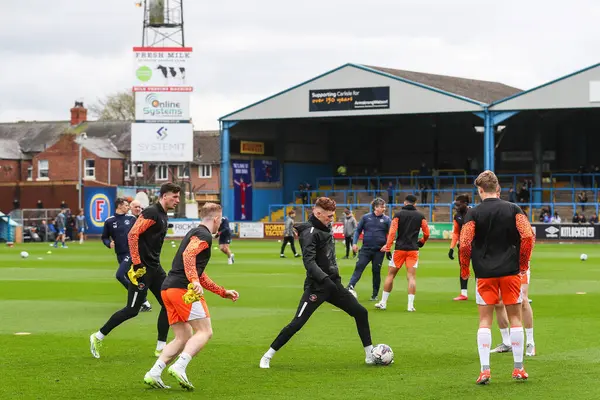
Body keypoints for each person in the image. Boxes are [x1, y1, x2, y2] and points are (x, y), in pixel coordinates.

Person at [259, 197, 375, 369]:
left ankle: (370, 355)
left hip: (334, 285)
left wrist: (332, 280)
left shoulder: (324, 227)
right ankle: (267, 356)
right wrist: (325, 279)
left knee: (360, 312)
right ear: (317, 212)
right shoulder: (310, 233)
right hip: (317, 286)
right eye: (328, 216)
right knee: (297, 323)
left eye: (332, 215)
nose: (331, 219)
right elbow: (309, 262)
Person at [143, 203, 239, 390]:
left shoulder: (195, 232)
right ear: (216, 219)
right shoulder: (204, 235)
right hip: (182, 289)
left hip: (168, 288)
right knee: (205, 331)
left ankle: (154, 373)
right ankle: (180, 366)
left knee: (183, 336)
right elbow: (189, 256)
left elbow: (197, 270)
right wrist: (193, 281)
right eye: (221, 219)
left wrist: (221, 291)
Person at [90, 183, 181, 359]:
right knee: (132, 310)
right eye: (174, 197)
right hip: (142, 269)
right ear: (164, 196)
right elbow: (133, 234)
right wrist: (137, 264)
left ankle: (161, 347)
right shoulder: (152, 212)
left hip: (155, 268)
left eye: (178, 197)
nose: (177, 200)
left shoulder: (162, 214)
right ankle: (97, 336)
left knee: (168, 303)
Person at [459, 171, 534, 384]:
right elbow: (527, 236)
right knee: (515, 318)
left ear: (480, 190)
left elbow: (464, 243)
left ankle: (485, 370)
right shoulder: (513, 209)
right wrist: (523, 263)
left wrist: (465, 270)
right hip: (510, 272)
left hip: (484, 274)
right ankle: (518, 368)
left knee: (484, 320)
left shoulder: (473, 213)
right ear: (497, 188)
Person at [490, 185, 536, 357]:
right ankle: (506, 342)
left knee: (523, 300)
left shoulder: (514, 211)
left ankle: (530, 342)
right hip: (500, 264)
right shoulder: (490, 214)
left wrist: (524, 262)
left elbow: (530, 236)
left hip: (518, 265)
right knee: (497, 302)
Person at [377, 195, 429, 311]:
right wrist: (422, 241)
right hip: (413, 250)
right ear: (415, 204)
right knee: (411, 277)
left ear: (405, 202)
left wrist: (388, 248)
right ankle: (410, 305)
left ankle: (383, 302)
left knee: (390, 275)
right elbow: (427, 233)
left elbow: (392, 232)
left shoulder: (398, 215)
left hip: (399, 249)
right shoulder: (420, 216)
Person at [101, 197, 152, 312]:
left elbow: (140, 234)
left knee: (119, 275)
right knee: (131, 278)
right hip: (120, 254)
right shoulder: (109, 221)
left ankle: (140, 298)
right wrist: (109, 244)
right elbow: (104, 237)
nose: (128, 207)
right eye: (126, 205)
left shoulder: (131, 219)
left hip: (131, 253)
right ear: (119, 206)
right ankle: (144, 301)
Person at [347, 198, 391, 301]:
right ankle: (350, 286)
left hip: (379, 251)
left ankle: (374, 295)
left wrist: (387, 245)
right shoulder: (366, 218)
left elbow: (392, 234)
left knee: (376, 271)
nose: (384, 208)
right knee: (359, 267)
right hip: (365, 249)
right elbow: (358, 231)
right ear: (375, 207)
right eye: (382, 206)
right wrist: (354, 243)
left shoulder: (387, 219)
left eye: (384, 206)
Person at [448, 194, 471, 301]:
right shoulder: (457, 216)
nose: (456, 207)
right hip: (462, 247)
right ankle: (463, 294)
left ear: (465, 204)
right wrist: (451, 248)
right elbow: (456, 232)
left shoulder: (474, 213)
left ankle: (481, 293)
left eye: (458, 205)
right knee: (463, 268)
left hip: (475, 246)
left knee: (480, 269)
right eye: (455, 205)